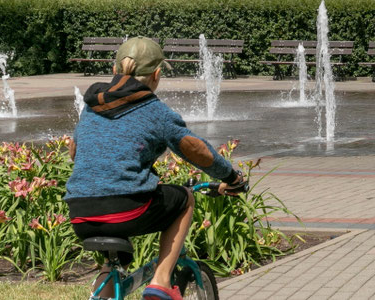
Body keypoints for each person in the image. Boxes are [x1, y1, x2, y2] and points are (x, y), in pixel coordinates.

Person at [65, 37, 247, 300]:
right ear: (157, 75)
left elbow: (74, 150)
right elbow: (196, 149)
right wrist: (231, 176)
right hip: (126, 209)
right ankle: (161, 282)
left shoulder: (91, 105)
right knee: (184, 198)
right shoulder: (155, 111)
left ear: (115, 70)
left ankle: (102, 294)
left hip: (80, 211)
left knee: (117, 260)